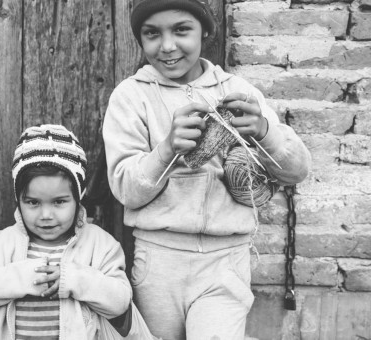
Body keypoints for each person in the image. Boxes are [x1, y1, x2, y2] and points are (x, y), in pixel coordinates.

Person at [102, 0, 311, 339]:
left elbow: (297, 170)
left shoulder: (237, 92)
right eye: (152, 33)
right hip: (159, 260)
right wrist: (167, 149)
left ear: (206, 32)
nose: (167, 46)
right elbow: (126, 189)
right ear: (140, 40)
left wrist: (263, 131)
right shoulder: (131, 97)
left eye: (181, 30)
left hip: (225, 261)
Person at [0, 124, 133, 339]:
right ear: (19, 199)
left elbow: (120, 301)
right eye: (33, 202)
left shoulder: (100, 245)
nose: (45, 214)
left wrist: (73, 279)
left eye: (59, 202)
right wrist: (25, 276)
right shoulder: (3, 243)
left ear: (79, 196)